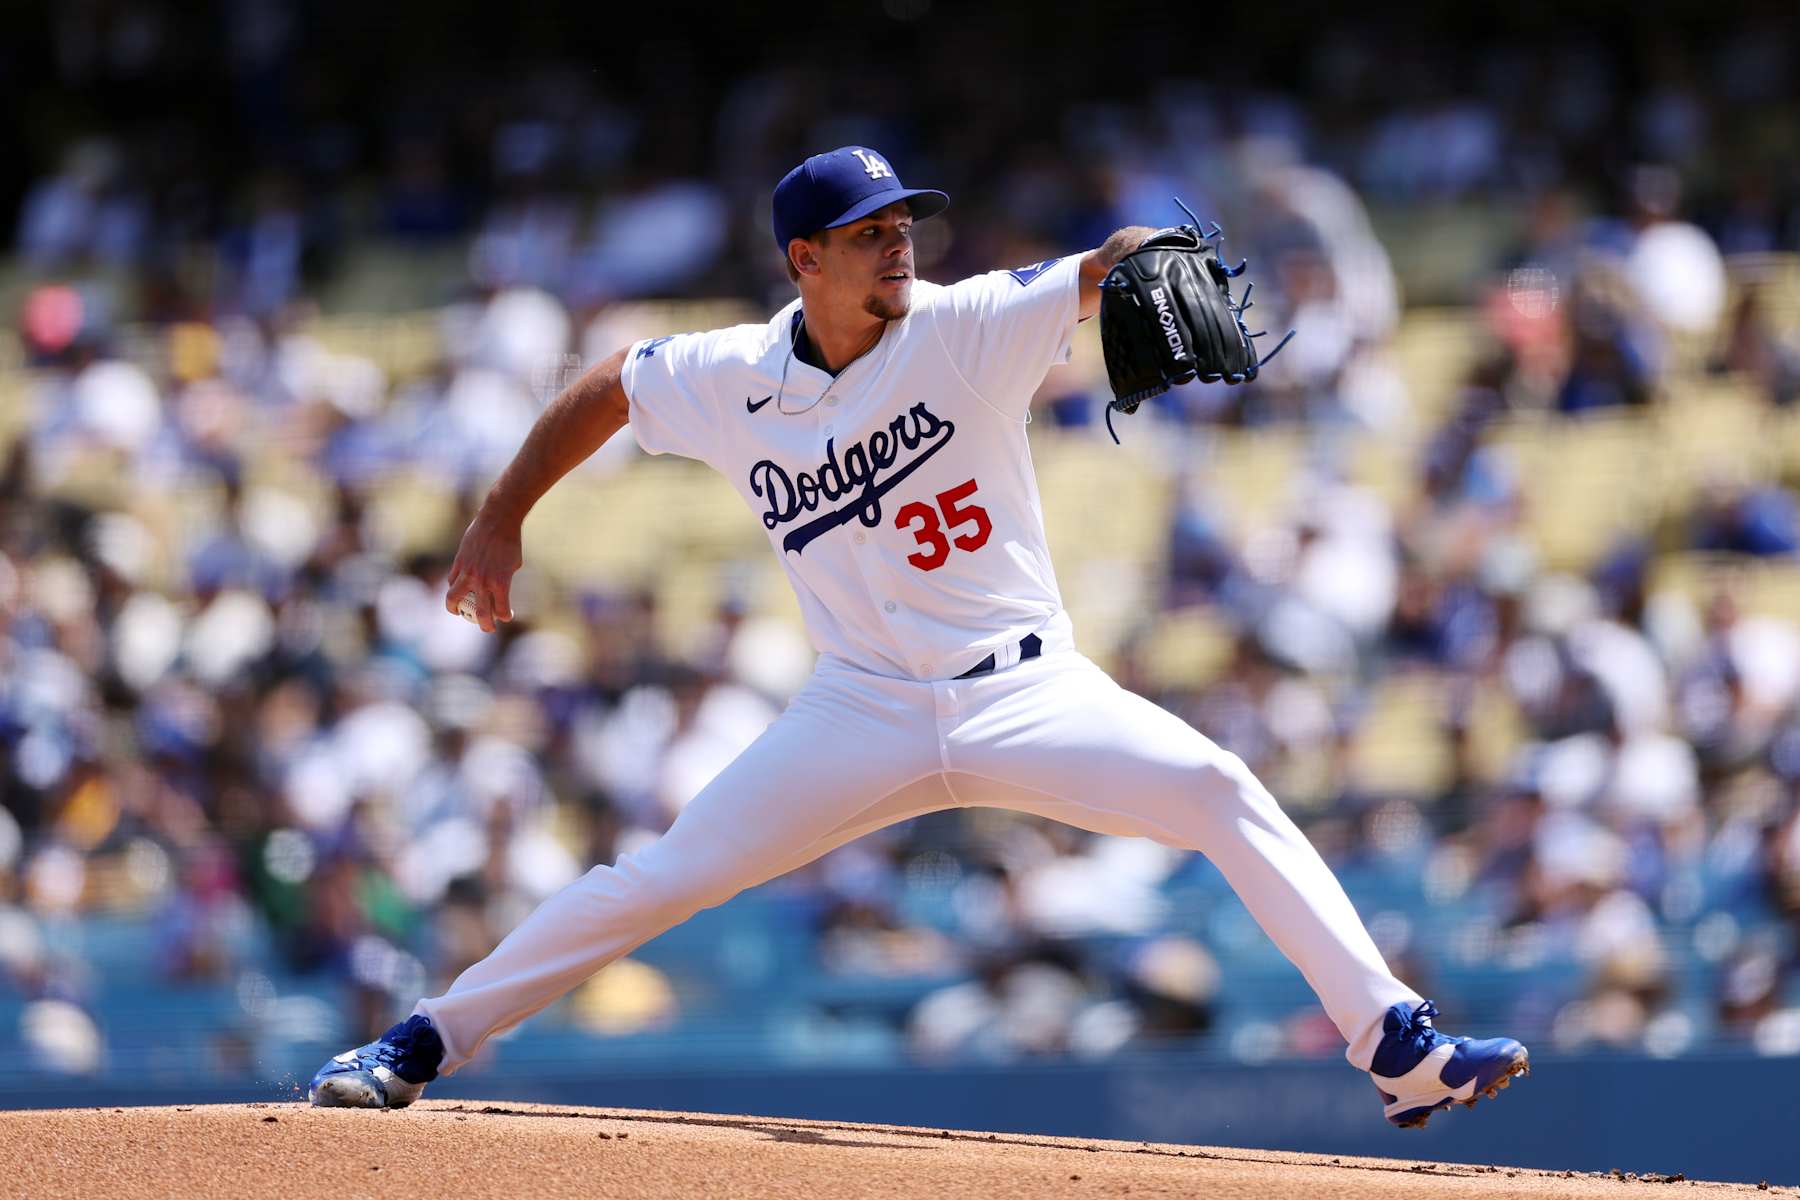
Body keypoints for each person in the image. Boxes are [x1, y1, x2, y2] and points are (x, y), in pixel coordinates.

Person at [308, 147, 1528, 1128]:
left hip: (1026, 693)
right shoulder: (730, 373)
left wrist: (1150, 250)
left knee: (1218, 786)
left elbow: (1099, 265)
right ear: (804, 260)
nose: (901, 245)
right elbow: (611, 385)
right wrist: (500, 518)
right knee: (658, 878)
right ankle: (421, 1042)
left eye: (905, 226)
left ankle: (1398, 1047)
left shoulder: (964, 325)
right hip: (861, 708)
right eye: (870, 233)